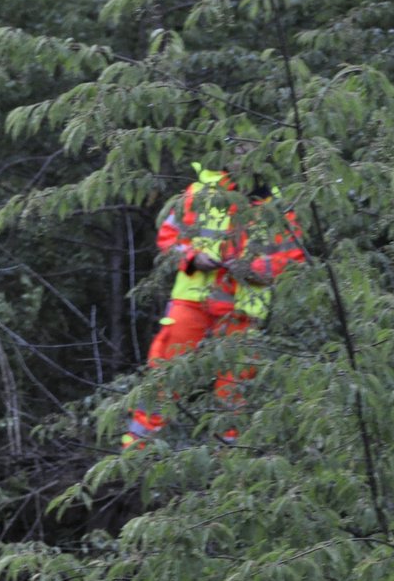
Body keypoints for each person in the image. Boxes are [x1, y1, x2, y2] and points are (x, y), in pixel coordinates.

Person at [122, 161, 304, 448]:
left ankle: (228, 472)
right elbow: (170, 236)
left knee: (234, 393)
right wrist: (194, 256)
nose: (242, 154)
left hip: (243, 310)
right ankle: (133, 456)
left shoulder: (277, 205)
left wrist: (255, 269)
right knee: (165, 377)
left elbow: (292, 258)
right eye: (235, 146)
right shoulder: (200, 192)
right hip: (193, 301)